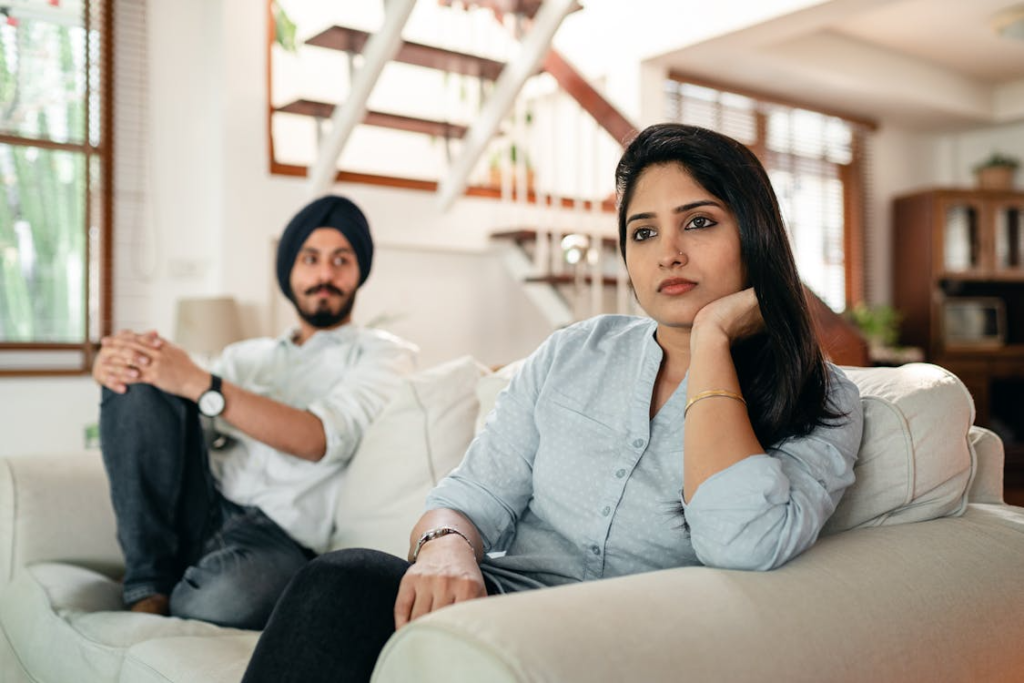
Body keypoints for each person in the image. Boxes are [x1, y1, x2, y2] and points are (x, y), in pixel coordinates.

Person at [240, 123, 865, 682]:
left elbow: (743, 542)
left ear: (754, 232)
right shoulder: (574, 353)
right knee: (338, 581)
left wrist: (711, 341)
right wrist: (447, 547)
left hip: (633, 640)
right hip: (500, 606)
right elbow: (466, 499)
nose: (668, 252)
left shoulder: (822, 396)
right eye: (643, 231)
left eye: (698, 222)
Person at [93, 195, 417, 630]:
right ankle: (148, 587)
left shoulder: (382, 354)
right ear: (290, 271)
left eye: (342, 260)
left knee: (228, 598)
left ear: (359, 272)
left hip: (277, 539)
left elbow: (319, 438)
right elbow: (168, 425)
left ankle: (173, 579)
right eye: (311, 259)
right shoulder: (246, 357)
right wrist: (117, 367)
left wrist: (201, 384)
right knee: (140, 377)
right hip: (202, 502)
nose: (325, 274)